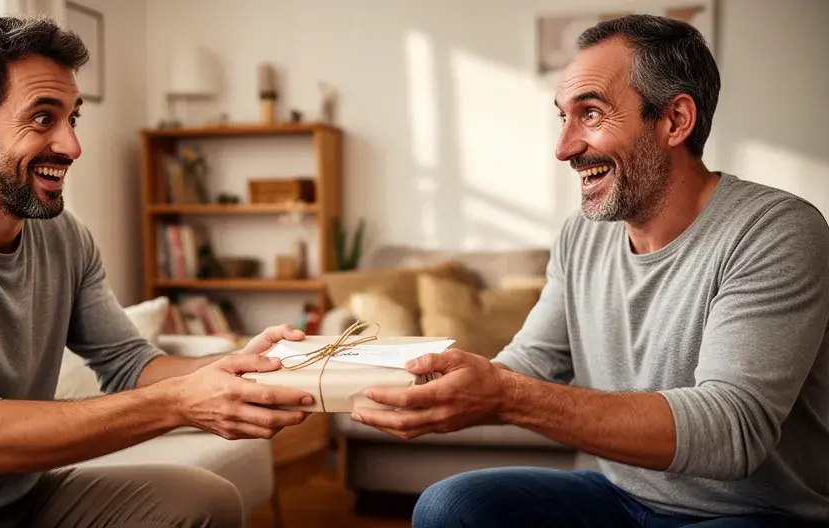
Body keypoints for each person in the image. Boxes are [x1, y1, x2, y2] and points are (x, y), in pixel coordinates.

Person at [0, 13, 315, 528]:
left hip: (21, 500)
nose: (72, 146)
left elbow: (128, 363)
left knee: (204, 499)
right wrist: (179, 402)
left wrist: (238, 367)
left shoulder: (63, 235)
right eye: (42, 118)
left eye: (72, 118)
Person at [351, 14, 829, 528]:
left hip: (756, 512)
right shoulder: (581, 235)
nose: (564, 148)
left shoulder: (776, 231)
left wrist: (507, 396)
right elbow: (533, 362)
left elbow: (733, 431)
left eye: (592, 114)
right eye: (563, 117)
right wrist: (441, 384)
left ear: (675, 121)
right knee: (450, 508)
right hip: (622, 496)